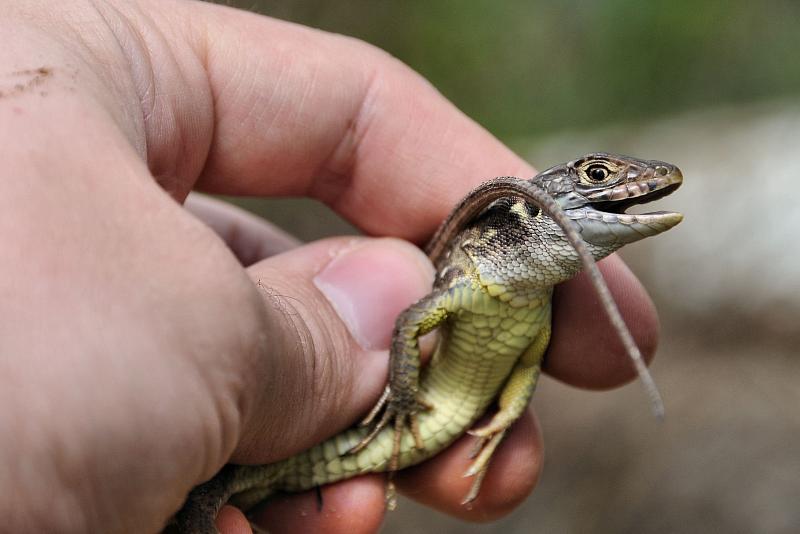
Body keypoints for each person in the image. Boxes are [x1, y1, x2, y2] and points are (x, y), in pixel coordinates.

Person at [0, 1, 660, 532]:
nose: (621, 184)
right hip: (298, 446)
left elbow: (523, 372)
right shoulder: (473, 272)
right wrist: (396, 393)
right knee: (218, 496)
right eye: (599, 176)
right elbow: (408, 323)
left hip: (357, 442)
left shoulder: (539, 309)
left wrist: (502, 416)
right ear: (528, 213)